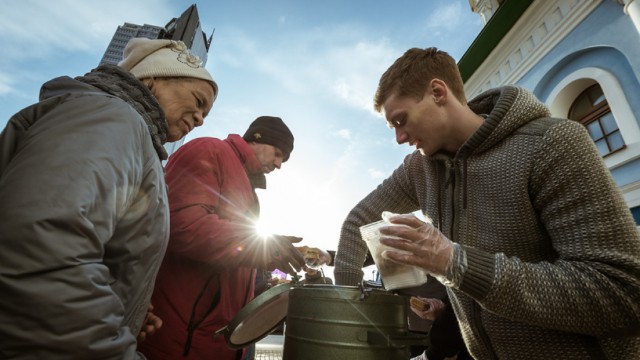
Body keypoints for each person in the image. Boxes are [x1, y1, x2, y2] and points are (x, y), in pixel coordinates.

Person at [334, 47, 640, 359]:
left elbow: (625, 295)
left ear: (438, 92)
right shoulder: (419, 169)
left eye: (401, 120)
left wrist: (455, 263)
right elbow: (359, 220)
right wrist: (343, 319)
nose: (398, 138)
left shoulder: (552, 144)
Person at [0, 37, 217, 358]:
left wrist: (124, 313)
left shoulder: (131, 136)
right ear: (151, 78)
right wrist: (114, 350)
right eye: (198, 101)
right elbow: (38, 249)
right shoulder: (111, 117)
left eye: (206, 114)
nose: (200, 119)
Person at [137, 116, 306, 360]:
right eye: (278, 153)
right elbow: (184, 226)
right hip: (182, 337)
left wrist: (269, 257)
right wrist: (263, 247)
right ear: (257, 139)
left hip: (215, 339)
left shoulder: (246, 182)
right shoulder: (209, 150)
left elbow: (234, 252)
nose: (279, 164)